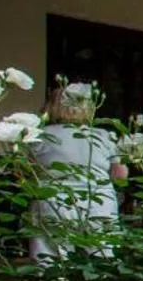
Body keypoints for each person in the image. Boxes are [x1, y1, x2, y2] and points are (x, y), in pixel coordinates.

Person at [30, 80, 127, 260]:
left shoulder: (38, 136)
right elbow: (120, 175)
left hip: (53, 201)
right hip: (99, 203)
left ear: (51, 107)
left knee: (49, 258)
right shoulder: (105, 136)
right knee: (102, 258)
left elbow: (27, 171)